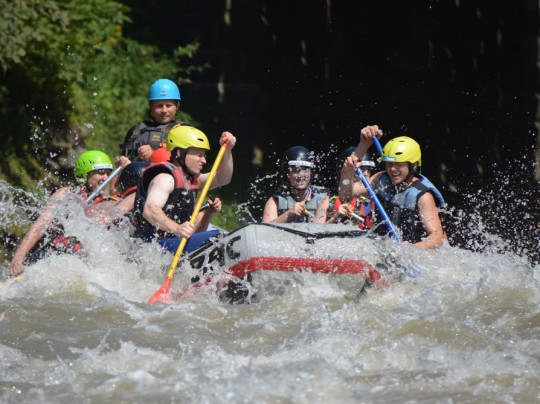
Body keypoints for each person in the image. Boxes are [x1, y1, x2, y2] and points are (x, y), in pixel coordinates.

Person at [8, 150, 119, 276]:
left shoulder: (107, 203)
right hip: (53, 256)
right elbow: (40, 225)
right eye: (101, 173)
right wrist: (18, 257)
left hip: (82, 266)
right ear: (85, 174)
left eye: (108, 173)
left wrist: (126, 166)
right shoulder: (67, 194)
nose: (105, 177)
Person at [133, 124, 237, 254]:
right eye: (199, 155)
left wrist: (228, 150)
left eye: (204, 155)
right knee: (217, 237)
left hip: (169, 243)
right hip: (149, 245)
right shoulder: (166, 178)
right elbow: (150, 210)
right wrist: (177, 228)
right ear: (179, 153)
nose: (204, 160)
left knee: (221, 237)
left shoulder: (192, 180)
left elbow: (223, 178)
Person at [339, 125, 446, 249]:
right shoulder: (381, 179)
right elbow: (345, 195)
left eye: (398, 164)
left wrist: (412, 249)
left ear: (414, 166)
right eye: (389, 164)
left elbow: (437, 237)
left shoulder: (422, 195)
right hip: (383, 247)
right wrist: (349, 167)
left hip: (414, 254)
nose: (392, 169)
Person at [119, 78, 183, 162]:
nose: (164, 110)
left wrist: (153, 155)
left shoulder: (183, 132)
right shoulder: (136, 130)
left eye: (168, 105)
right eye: (159, 106)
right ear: (151, 106)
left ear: (177, 106)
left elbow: (185, 164)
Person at [262, 146, 330, 223]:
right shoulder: (275, 200)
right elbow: (265, 229)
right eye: (296, 170)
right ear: (287, 173)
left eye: (305, 170)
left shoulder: (323, 198)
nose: (301, 175)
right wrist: (288, 214)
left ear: (311, 173)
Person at [328, 147, 375, 229]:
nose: (366, 173)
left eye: (368, 169)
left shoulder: (375, 199)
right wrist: (335, 218)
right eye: (361, 169)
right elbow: (315, 230)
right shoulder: (328, 201)